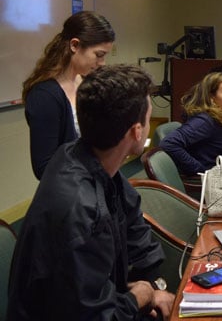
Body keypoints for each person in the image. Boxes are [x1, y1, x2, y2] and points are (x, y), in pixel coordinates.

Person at [8, 64, 175, 320]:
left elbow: (136, 232)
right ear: (136, 132)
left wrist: (154, 285)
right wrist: (137, 299)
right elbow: (93, 316)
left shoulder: (85, 157)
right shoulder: (79, 210)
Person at [22, 11, 114, 179]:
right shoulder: (45, 96)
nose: (102, 63)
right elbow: (44, 168)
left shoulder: (86, 83)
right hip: (69, 193)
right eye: (99, 55)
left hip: (91, 180)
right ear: (74, 45)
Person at [160, 71, 222, 176]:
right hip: (210, 182)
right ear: (211, 97)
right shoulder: (204, 121)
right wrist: (200, 170)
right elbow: (168, 143)